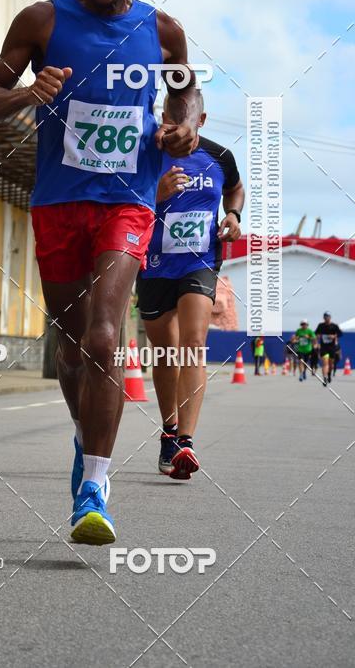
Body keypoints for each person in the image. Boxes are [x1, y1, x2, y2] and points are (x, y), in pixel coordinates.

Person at [0, 0, 197, 544]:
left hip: (128, 199)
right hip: (58, 204)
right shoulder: (41, 21)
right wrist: (26, 94)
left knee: (104, 332)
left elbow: (185, 94)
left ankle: (94, 488)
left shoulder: (163, 31)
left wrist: (185, 126)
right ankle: (86, 439)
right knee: (71, 350)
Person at [136, 92, 244, 479]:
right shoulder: (146, 153)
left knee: (193, 344)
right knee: (165, 353)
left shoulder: (220, 157)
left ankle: (186, 441)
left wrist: (232, 214)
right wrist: (155, 193)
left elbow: (235, 188)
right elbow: (120, 201)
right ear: (161, 117)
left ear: (203, 119)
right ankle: (168, 433)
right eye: (170, 121)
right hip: (153, 263)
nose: (176, 129)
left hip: (199, 261)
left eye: (187, 122)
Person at [315, 311, 342, 386]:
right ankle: (325, 378)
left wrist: (334, 336)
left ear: (330, 317)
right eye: (325, 316)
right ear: (323, 317)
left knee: (331, 364)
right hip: (324, 348)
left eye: (328, 316)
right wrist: (317, 339)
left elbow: (340, 333)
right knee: (325, 363)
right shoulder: (321, 325)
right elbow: (316, 333)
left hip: (332, 348)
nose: (326, 318)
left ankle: (329, 374)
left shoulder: (334, 326)